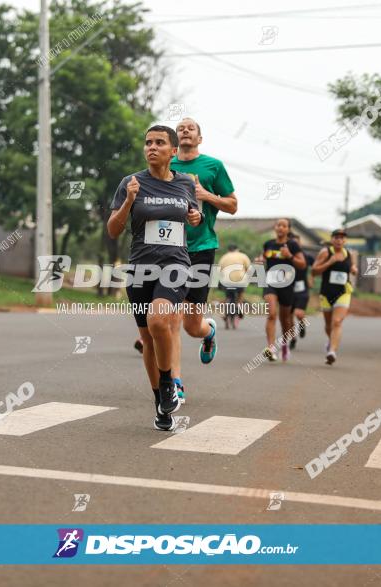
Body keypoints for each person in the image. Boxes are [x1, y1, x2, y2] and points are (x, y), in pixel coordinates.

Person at [107, 125, 202, 431]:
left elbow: (193, 216)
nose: (152, 147)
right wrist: (128, 202)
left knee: (159, 321)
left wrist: (196, 217)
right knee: (147, 338)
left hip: (175, 264)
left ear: (173, 152)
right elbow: (113, 228)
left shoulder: (185, 184)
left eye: (160, 143)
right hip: (139, 267)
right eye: (148, 143)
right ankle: (160, 404)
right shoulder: (131, 183)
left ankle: (167, 381)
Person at [167, 118, 237, 403]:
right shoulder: (165, 167)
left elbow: (233, 204)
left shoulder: (213, 166)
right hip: (168, 249)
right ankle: (175, 382)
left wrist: (207, 195)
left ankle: (208, 333)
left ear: (200, 137)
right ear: (175, 140)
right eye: (180, 128)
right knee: (171, 317)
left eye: (190, 128)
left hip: (202, 247)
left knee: (190, 325)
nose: (185, 130)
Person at [257, 219, 306, 362]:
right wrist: (260, 261)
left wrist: (290, 255)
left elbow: (302, 264)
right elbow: (264, 258)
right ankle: (271, 348)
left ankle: (284, 344)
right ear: (275, 228)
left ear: (288, 229)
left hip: (287, 284)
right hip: (270, 282)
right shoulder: (269, 244)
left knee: (285, 319)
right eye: (278, 225)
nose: (280, 228)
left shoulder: (293, 245)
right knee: (271, 314)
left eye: (284, 226)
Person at [312, 228, 357, 365]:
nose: (339, 240)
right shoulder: (325, 252)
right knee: (328, 324)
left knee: (337, 322)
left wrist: (354, 270)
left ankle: (332, 351)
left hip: (343, 292)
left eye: (342, 238)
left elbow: (353, 267)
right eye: (336, 237)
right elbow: (314, 271)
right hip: (326, 293)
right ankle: (331, 341)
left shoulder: (349, 253)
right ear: (332, 240)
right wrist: (329, 262)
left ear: (345, 240)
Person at [289, 233, 314, 349]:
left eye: (296, 243)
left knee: (298, 313)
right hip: (288, 288)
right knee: (288, 317)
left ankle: (302, 324)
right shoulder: (285, 256)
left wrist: (311, 278)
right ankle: (292, 338)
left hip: (302, 287)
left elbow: (315, 268)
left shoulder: (306, 256)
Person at [218, 244, 252, 329]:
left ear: (228, 250)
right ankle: (239, 308)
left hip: (227, 281)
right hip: (240, 281)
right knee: (240, 295)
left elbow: (219, 269)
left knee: (227, 297)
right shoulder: (243, 256)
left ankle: (224, 313)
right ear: (238, 249)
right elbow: (249, 269)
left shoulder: (224, 257)